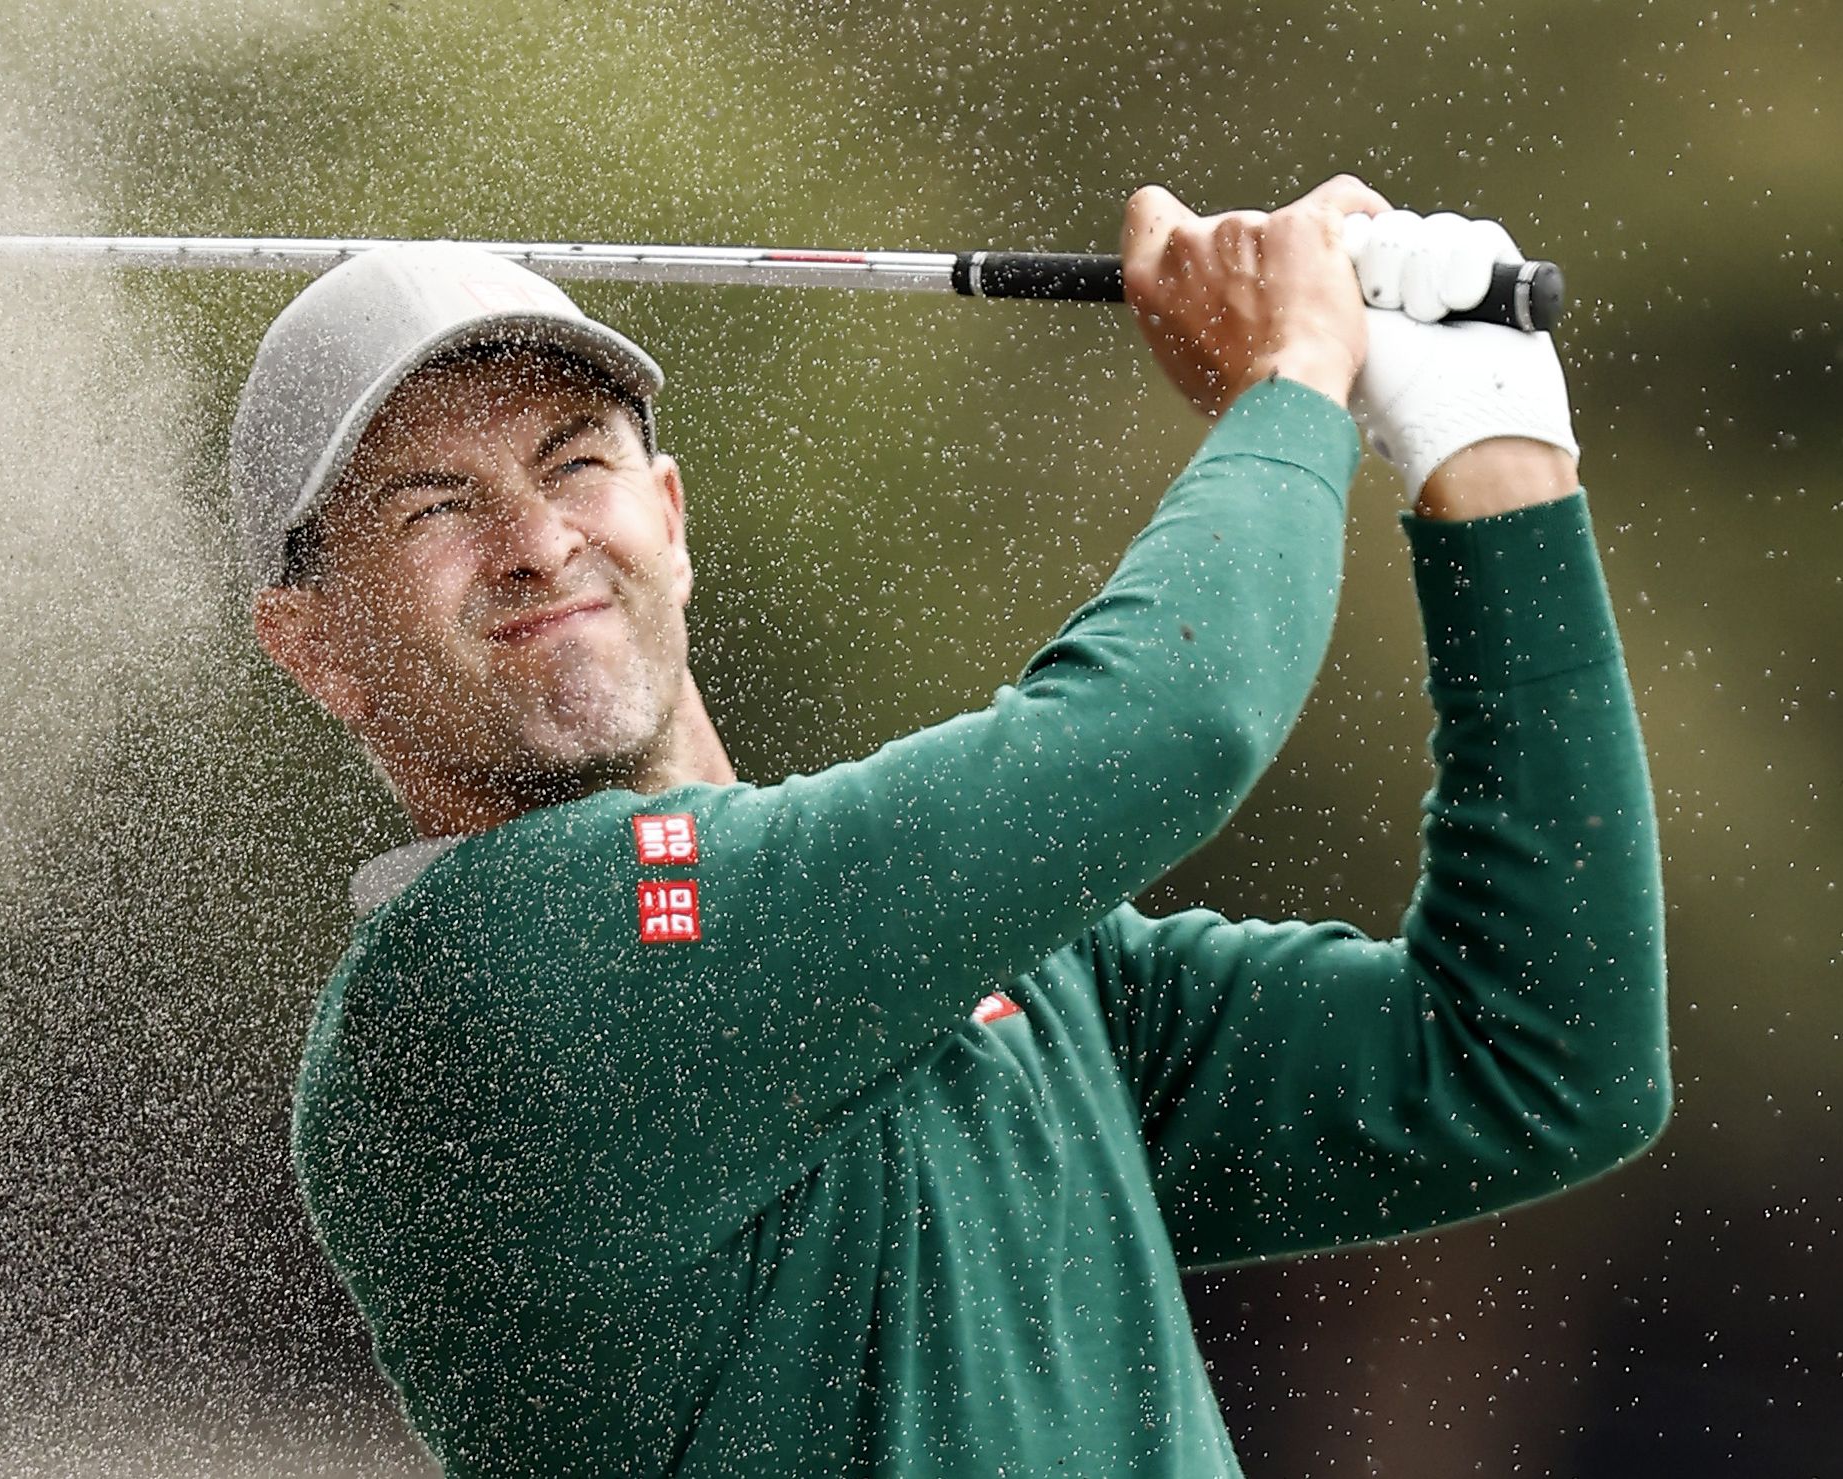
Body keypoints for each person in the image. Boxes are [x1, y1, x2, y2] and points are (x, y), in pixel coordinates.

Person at [235, 176, 1669, 1477]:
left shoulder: (992, 962)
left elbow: (1537, 1059)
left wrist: (1491, 454)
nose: (539, 541)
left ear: (669, 515)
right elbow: (1172, 723)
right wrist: (1292, 379)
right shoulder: (478, 985)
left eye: (573, 464)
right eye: (436, 509)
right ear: (316, 651)